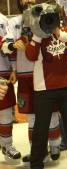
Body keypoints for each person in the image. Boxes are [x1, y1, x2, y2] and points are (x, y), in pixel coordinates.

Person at [25, 3, 67, 169]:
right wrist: (38, 34)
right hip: (43, 89)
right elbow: (31, 55)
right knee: (40, 130)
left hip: (66, 86)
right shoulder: (37, 35)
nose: (49, 20)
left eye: (52, 16)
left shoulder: (64, 31)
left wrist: (57, 32)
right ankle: (36, 164)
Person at [2, 0, 62, 165]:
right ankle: (38, 151)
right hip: (24, 75)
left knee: (50, 111)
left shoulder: (44, 16)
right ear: (19, 1)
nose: (28, 0)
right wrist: (13, 45)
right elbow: (5, 44)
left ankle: (55, 145)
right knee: (31, 116)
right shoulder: (14, 22)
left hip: (44, 72)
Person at [0, 11, 21, 161]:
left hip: (4, 72)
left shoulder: (4, 19)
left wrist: (13, 68)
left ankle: (7, 145)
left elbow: (9, 44)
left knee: (6, 112)